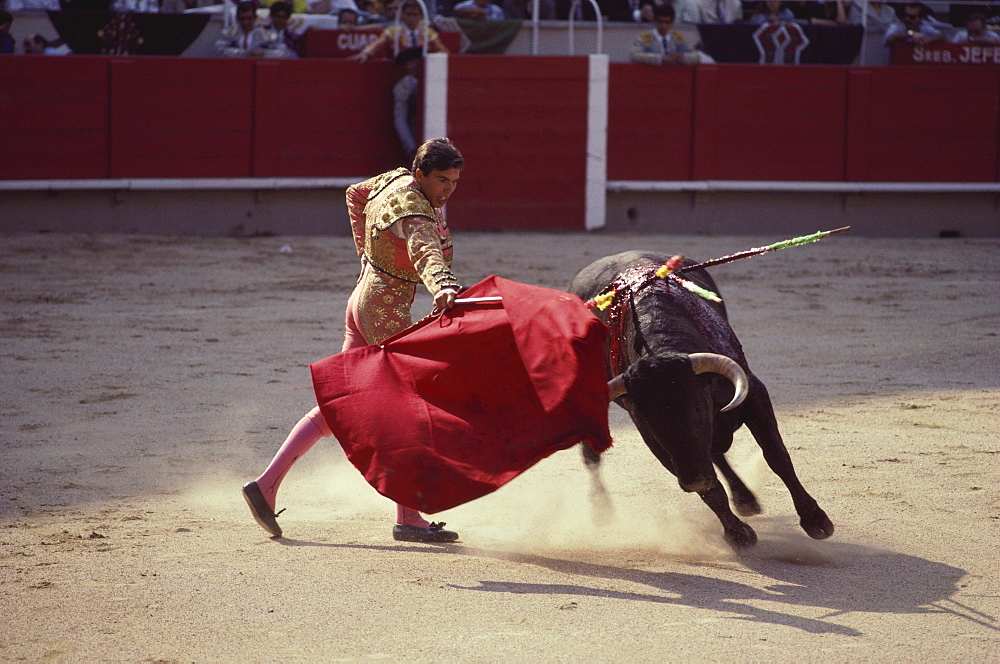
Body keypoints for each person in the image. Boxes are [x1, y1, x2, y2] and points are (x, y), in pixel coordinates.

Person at [242, 138, 465, 544]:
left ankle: (266, 484)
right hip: (384, 312)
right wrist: (443, 287)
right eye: (441, 180)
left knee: (339, 407)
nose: (448, 189)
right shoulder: (416, 212)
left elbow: (356, 194)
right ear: (420, 175)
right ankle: (409, 517)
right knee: (406, 411)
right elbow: (425, 252)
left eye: (454, 181)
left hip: (364, 299)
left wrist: (367, 254)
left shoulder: (395, 180)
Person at [350, 0, 449, 61]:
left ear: (420, 16)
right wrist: (365, 54)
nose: (412, 18)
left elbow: (443, 51)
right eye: (409, 14)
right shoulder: (393, 31)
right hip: (399, 71)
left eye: (415, 15)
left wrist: (430, 59)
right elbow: (377, 44)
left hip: (422, 71)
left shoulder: (427, 32)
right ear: (402, 15)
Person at [629, 4, 714, 63]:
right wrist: (661, 59)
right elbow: (634, 55)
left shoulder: (678, 38)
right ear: (654, 21)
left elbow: (696, 55)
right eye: (660, 21)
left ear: (672, 23)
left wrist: (682, 58)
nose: (663, 26)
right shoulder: (644, 37)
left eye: (667, 22)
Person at [393, 47, 422, 160]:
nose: (412, 66)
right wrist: (411, 147)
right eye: (409, 63)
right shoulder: (405, 85)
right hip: (415, 135)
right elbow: (400, 119)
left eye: (415, 62)